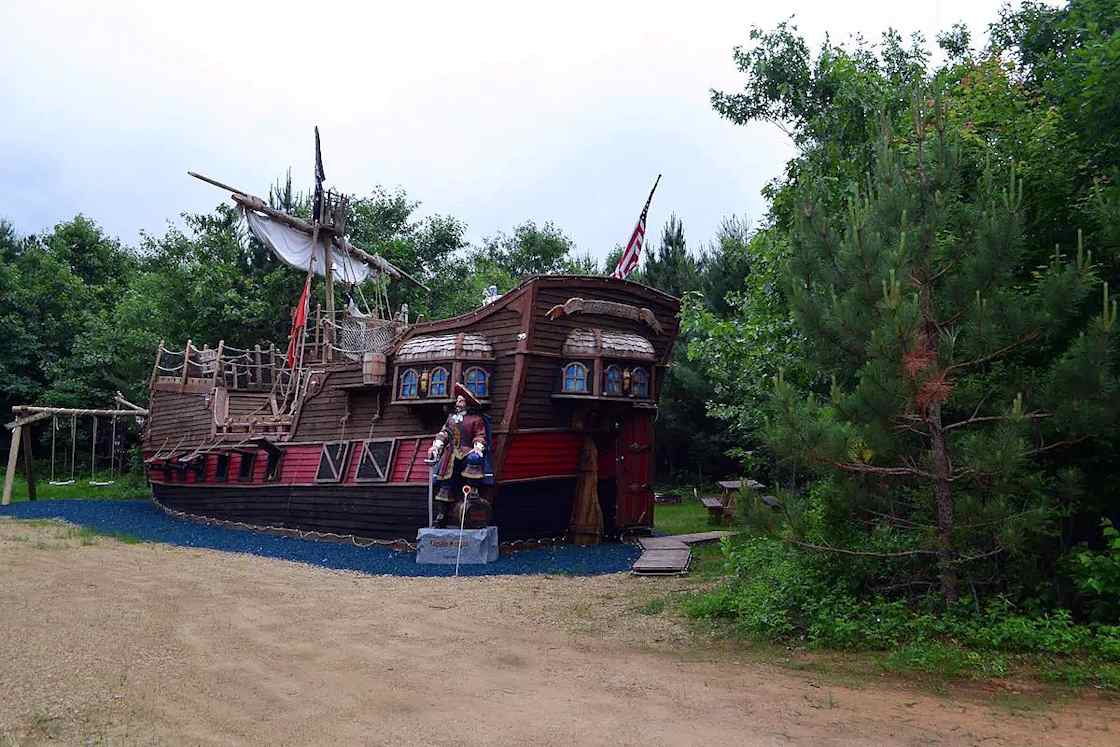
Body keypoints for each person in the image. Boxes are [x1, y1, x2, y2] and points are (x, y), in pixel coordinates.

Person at [427, 383, 488, 525]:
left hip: (467, 452)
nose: (458, 403)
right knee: (446, 483)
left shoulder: (475, 419)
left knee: (474, 460)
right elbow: (444, 434)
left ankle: (472, 495)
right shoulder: (451, 419)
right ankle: (443, 514)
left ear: (467, 403)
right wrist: (436, 446)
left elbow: (480, 435)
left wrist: (478, 446)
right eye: (458, 400)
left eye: (460, 401)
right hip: (451, 454)